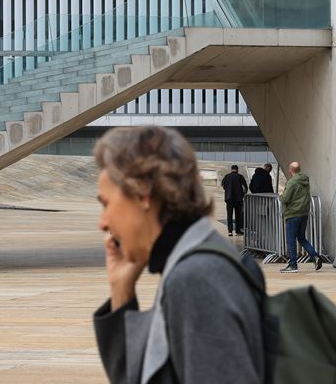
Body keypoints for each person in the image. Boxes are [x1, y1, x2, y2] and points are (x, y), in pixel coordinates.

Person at [92, 126, 264, 383]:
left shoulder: (196, 278)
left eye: (106, 204)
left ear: (142, 193)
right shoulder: (201, 259)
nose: (103, 223)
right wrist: (121, 290)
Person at [279, 162, 322, 273]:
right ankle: (315, 256)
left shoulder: (292, 182)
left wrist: (281, 196)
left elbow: (286, 198)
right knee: (301, 238)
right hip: (303, 213)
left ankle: (293, 265)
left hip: (293, 213)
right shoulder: (305, 181)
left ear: (290, 170)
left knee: (291, 239)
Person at [220, 165, 248, 236]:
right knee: (237, 215)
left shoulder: (226, 176)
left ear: (231, 169)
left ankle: (230, 231)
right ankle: (237, 231)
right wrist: (243, 194)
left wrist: (228, 192)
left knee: (229, 215)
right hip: (238, 199)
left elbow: (223, 186)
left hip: (229, 199)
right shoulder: (240, 176)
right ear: (237, 169)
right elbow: (245, 187)